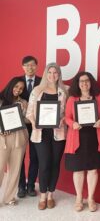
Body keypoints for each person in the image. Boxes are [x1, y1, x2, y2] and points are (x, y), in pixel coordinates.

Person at [65, 71, 100, 212]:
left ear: (91, 82)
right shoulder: (72, 99)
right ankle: (78, 198)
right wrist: (72, 124)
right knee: (77, 170)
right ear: (77, 84)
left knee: (92, 169)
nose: (84, 83)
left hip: (94, 138)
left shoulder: (99, 97)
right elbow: (67, 117)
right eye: (81, 81)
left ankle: (90, 198)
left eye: (87, 81)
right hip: (77, 138)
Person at [26, 62, 68, 210]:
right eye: (49, 72)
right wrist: (33, 123)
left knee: (55, 164)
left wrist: (63, 119)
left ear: (59, 74)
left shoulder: (65, 91)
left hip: (59, 133)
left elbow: (69, 112)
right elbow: (29, 112)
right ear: (45, 74)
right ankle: (42, 196)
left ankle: (51, 195)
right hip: (40, 133)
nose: (52, 75)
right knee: (44, 164)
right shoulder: (37, 91)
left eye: (55, 72)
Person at [0, 77, 29, 205]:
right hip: (3, 138)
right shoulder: (0, 99)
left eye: (21, 88)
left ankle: (9, 197)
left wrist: (23, 110)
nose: (18, 90)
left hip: (19, 137)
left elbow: (28, 120)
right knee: (0, 168)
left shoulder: (23, 102)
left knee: (15, 168)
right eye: (16, 86)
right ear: (11, 85)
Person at [18, 55, 41, 198]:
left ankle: (31, 184)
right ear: (23, 67)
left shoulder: (42, 82)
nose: (30, 67)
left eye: (32, 65)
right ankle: (21, 186)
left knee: (35, 156)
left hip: (36, 124)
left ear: (37, 66)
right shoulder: (18, 82)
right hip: (19, 125)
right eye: (27, 65)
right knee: (19, 156)